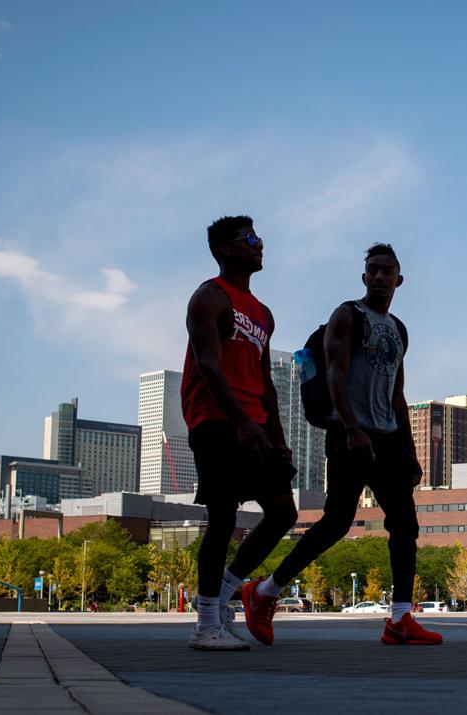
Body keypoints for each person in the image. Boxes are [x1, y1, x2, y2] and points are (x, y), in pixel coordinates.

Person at [243, 243, 442, 646]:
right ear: (364, 276)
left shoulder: (399, 329)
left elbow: (397, 394)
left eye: (388, 270)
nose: (381, 276)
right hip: (350, 434)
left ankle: (401, 618)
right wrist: (351, 428)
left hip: (386, 438)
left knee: (405, 525)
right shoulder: (347, 315)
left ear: (399, 280)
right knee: (335, 523)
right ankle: (264, 591)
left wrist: (411, 450)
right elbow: (335, 372)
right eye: (373, 269)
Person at [182, 215, 299, 651]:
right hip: (215, 419)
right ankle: (205, 624)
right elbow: (209, 365)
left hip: (256, 424)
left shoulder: (263, 313)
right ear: (226, 249)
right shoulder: (208, 297)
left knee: (283, 513)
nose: (259, 243)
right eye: (248, 238)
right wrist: (241, 421)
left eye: (258, 236)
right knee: (224, 517)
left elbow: (266, 381)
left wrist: (277, 434)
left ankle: (228, 595)